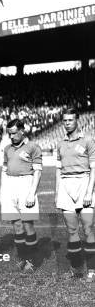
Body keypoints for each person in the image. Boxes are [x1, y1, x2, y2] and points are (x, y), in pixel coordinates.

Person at [55, 108, 95, 281]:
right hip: (65, 184)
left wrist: (89, 191)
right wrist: (57, 193)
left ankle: (92, 270)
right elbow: (58, 170)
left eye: (70, 120)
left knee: (87, 228)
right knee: (72, 230)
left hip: (84, 182)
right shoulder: (60, 143)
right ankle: (77, 269)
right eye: (65, 120)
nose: (67, 123)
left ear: (77, 121)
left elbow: (94, 168)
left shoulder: (87, 140)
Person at [1, 119, 42, 273]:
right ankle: (23, 258)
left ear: (22, 131)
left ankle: (31, 261)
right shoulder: (7, 149)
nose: (11, 137)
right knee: (17, 225)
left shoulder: (33, 147)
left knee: (28, 225)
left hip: (26, 185)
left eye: (13, 133)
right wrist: (2, 191)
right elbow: (4, 171)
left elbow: (38, 171)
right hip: (10, 186)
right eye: (9, 134)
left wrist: (32, 193)